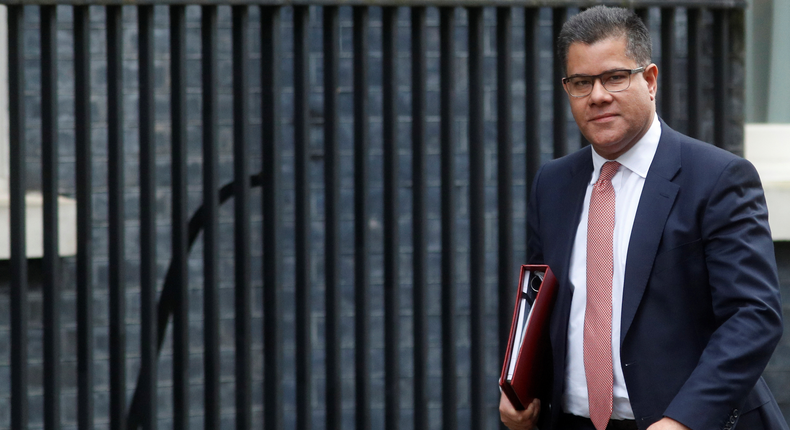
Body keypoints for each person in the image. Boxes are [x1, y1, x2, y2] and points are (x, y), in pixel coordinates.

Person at [500, 6, 787, 430]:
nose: (597, 95)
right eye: (581, 82)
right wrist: (523, 390)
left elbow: (754, 315)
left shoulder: (717, 178)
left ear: (650, 80)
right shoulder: (553, 184)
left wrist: (682, 420)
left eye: (615, 77)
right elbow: (543, 305)